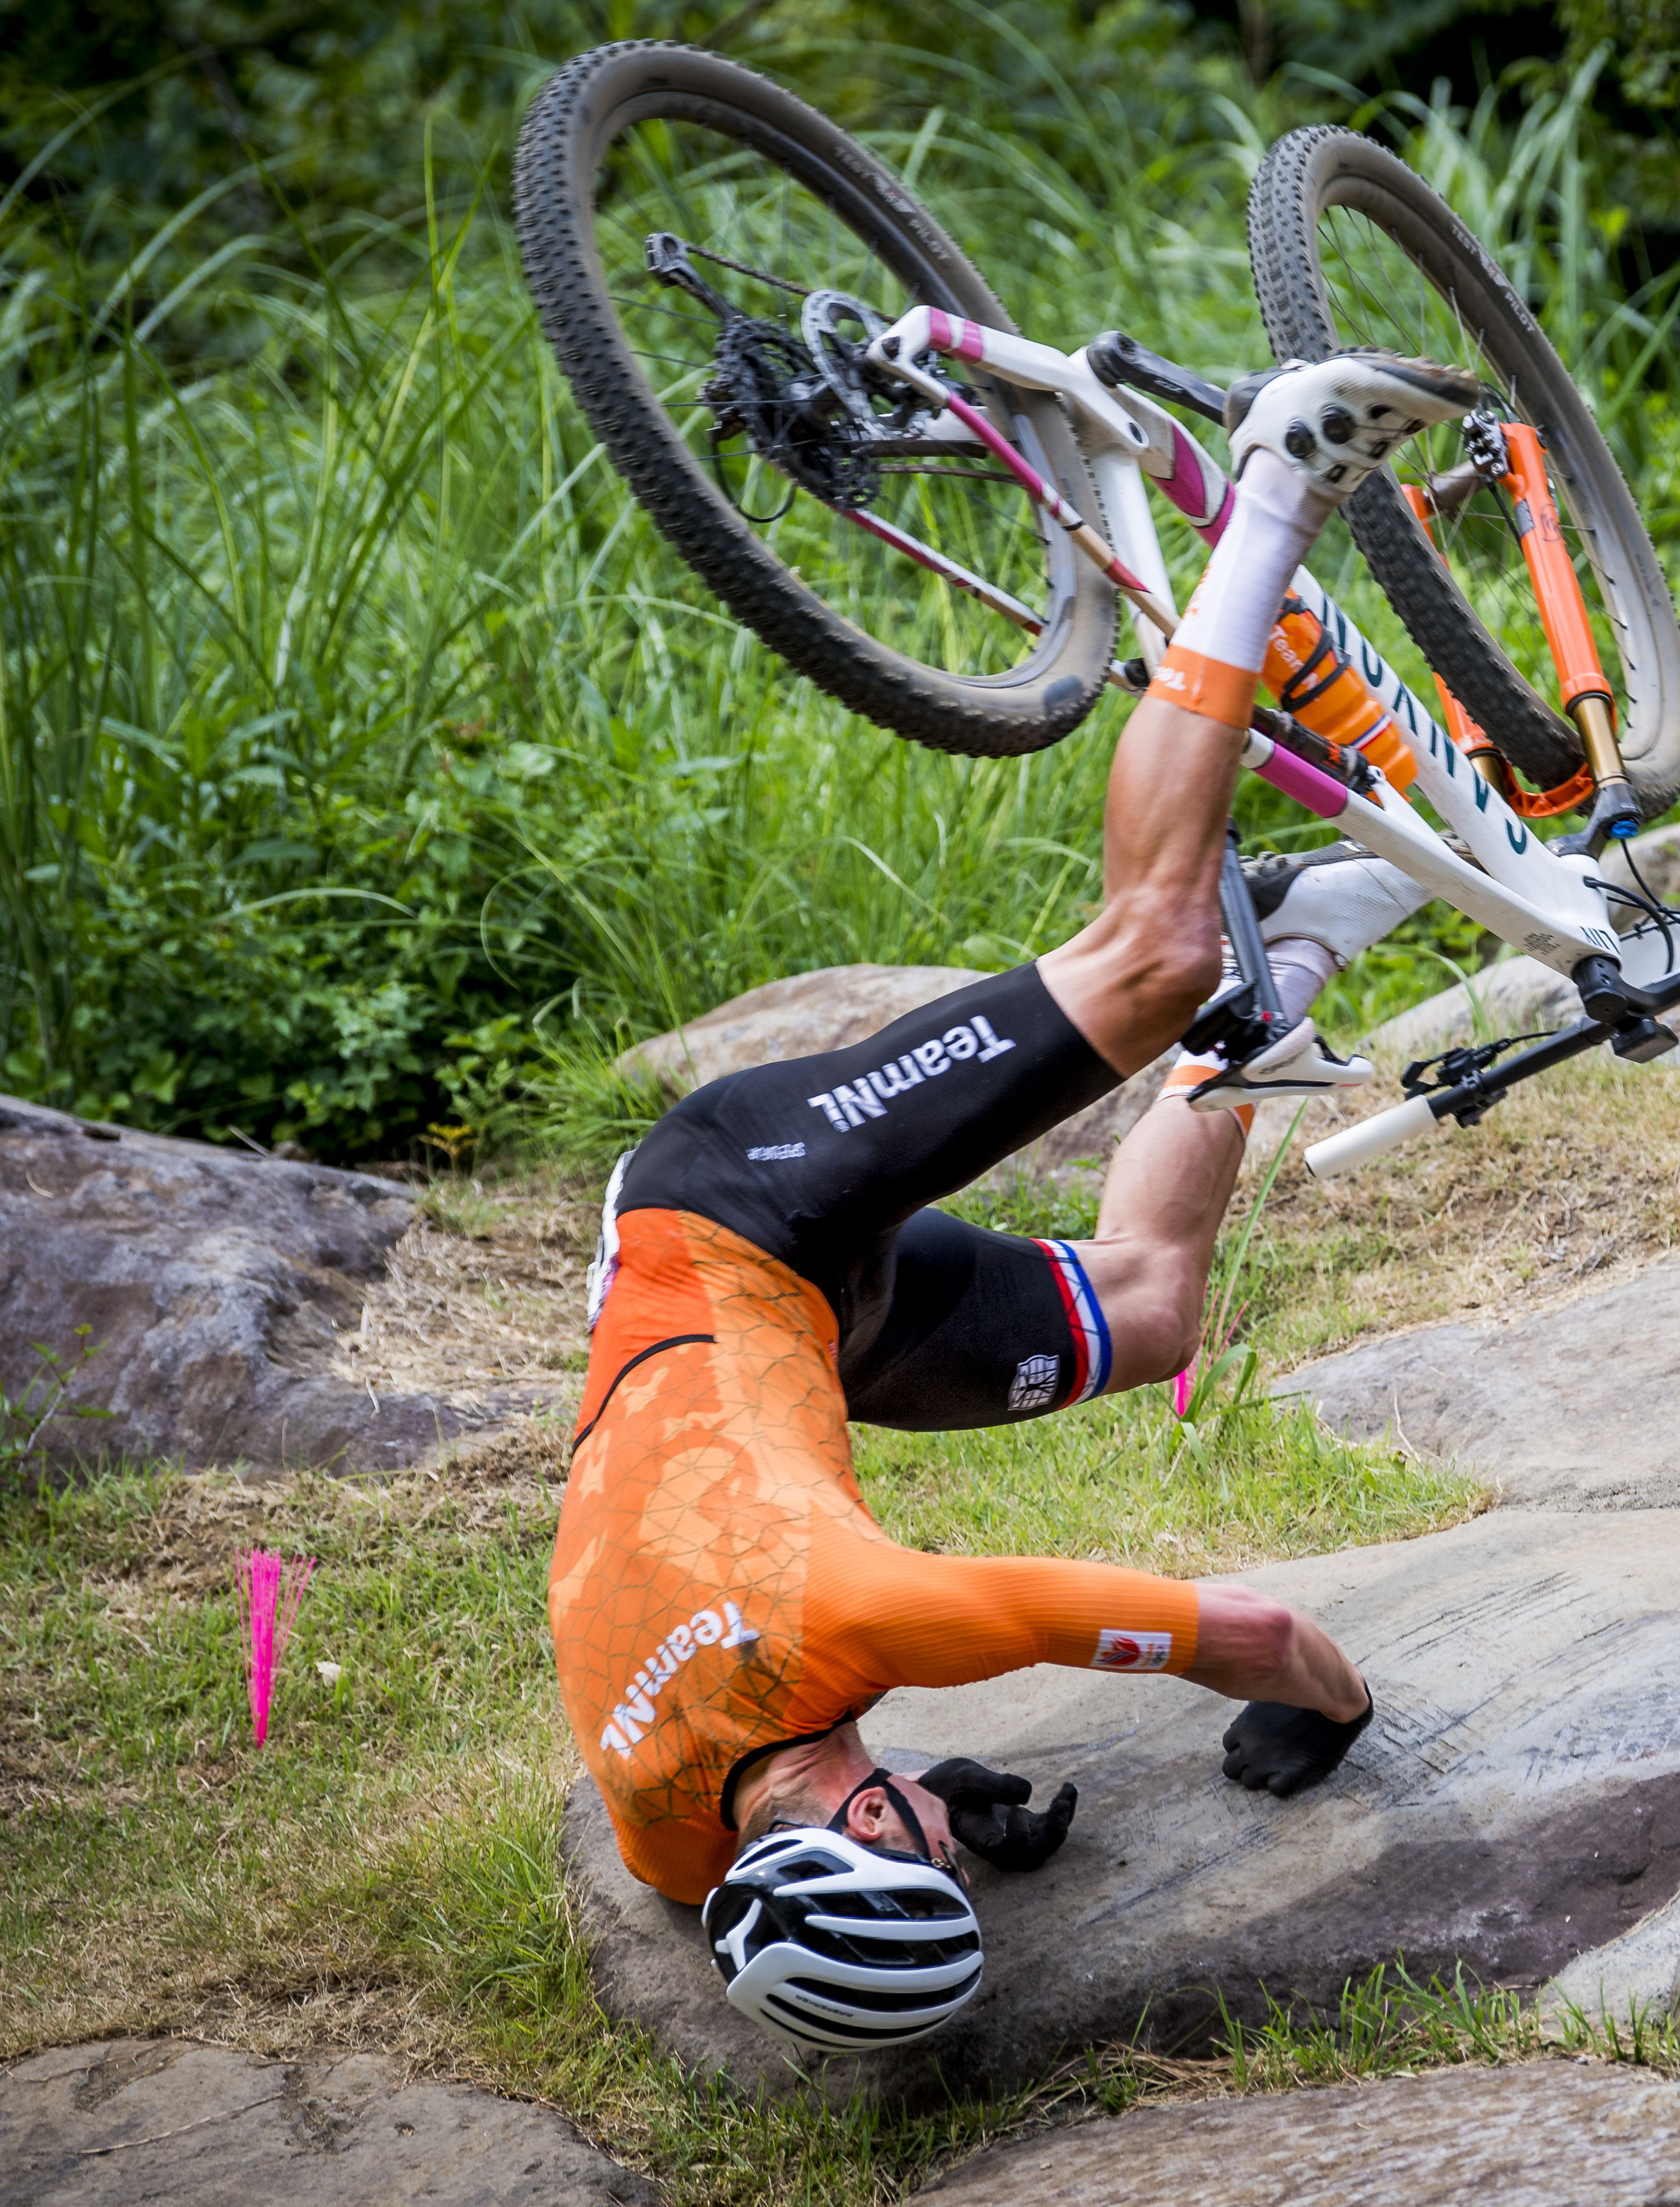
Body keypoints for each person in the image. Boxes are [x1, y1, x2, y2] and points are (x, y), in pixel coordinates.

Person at [550, 347, 1483, 2054]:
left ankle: (1283, 470)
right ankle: (1308, 939)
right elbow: (728, 1885)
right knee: (1150, 1317)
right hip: (816, 1342)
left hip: (725, 1220)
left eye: (921, 1855)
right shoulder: (671, 1835)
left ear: (850, 1833)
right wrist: (924, 1800)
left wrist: (1331, 1714)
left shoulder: (864, 1628)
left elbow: (1259, 1635)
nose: (947, 1843)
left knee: (1149, 954)